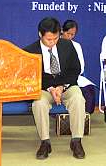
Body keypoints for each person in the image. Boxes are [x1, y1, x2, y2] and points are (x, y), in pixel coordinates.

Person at [24, 17, 86, 159]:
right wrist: (51, 88)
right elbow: (31, 77)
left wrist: (61, 86)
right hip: (44, 88)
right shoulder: (30, 51)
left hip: (66, 85)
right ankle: (45, 142)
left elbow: (75, 70)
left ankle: (76, 141)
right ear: (40, 35)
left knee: (78, 98)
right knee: (38, 103)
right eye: (48, 40)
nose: (52, 43)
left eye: (55, 39)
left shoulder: (67, 45)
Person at [61, 19, 96, 114]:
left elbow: (81, 67)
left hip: (74, 76)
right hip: (58, 78)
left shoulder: (77, 46)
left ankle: (84, 117)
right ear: (62, 31)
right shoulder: (53, 43)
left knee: (89, 91)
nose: (70, 37)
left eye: (73, 35)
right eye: (68, 34)